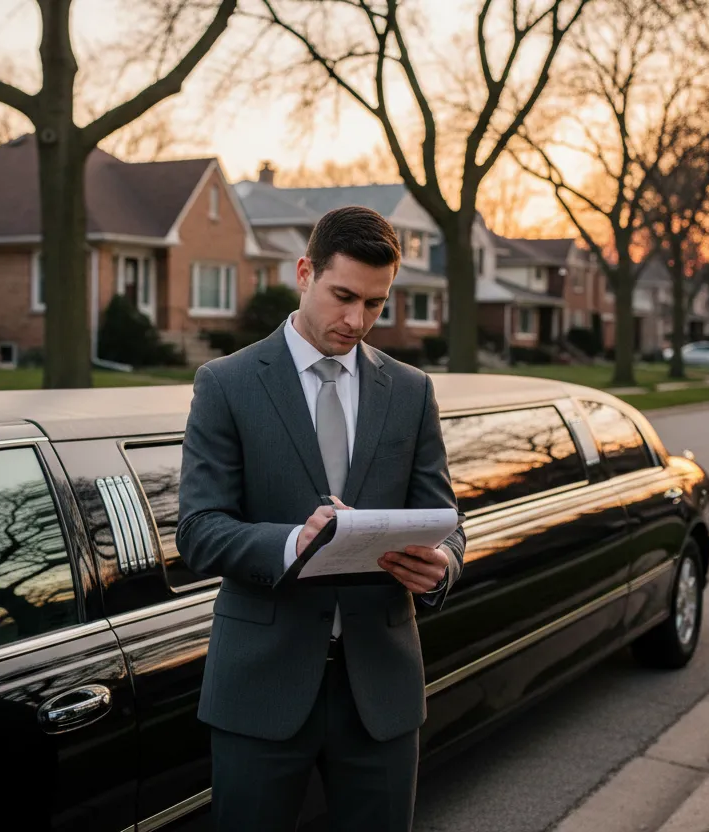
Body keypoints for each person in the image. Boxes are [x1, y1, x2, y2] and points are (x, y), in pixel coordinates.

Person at [176, 206, 466, 831]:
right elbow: (199, 531)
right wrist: (291, 543)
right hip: (260, 687)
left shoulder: (412, 391)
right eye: (343, 296)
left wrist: (442, 567)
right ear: (304, 272)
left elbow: (446, 520)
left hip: (381, 690)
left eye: (376, 304)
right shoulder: (226, 384)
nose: (357, 320)